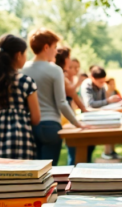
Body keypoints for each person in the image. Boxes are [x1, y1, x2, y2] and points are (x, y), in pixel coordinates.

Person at [22, 28, 84, 162]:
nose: (56, 51)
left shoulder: (23, 69)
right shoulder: (55, 70)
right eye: (55, 47)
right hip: (50, 126)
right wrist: (77, 123)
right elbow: (61, 102)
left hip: (29, 126)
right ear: (46, 47)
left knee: (35, 172)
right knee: (50, 171)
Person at [0, 34, 41, 159]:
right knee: (22, 177)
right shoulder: (26, 82)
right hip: (20, 140)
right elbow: (36, 118)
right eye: (25, 54)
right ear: (18, 55)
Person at [79, 65, 121, 162]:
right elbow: (90, 104)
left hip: (99, 117)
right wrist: (108, 101)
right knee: (87, 147)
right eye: (100, 82)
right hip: (88, 119)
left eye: (103, 81)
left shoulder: (100, 86)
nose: (103, 84)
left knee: (92, 145)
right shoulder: (87, 85)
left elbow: (102, 103)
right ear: (92, 78)